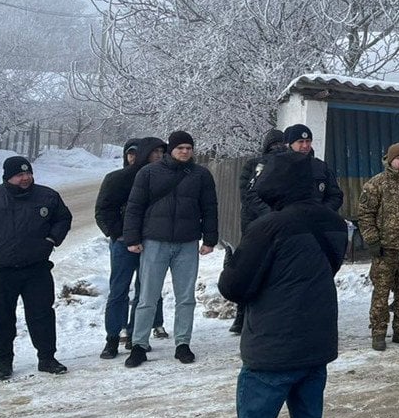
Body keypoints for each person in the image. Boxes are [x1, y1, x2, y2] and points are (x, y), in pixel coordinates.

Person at [216, 151, 349, 418]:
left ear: (273, 184)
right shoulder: (334, 223)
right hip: (316, 345)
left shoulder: (267, 228)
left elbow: (236, 288)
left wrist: (229, 265)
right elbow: (323, 269)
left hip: (271, 350)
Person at [0, 156, 72, 380]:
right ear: (7, 177)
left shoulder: (47, 196)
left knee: (42, 314)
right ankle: (4, 363)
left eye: (28, 173)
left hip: (36, 269)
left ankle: (47, 358)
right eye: (19, 175)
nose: (25, 178)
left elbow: (63, 218)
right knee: (0, 318)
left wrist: (51, 240)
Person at [122, 130, 219, 367]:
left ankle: (183, 343)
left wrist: (210, 239)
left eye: (188, 148)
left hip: (187, 243)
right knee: (147, 296)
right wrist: (132, 238)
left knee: (186, 297)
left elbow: (209, 208)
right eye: (180, 148)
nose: (185, 152)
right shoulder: (149, 173)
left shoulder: (201, 175)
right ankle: (139, 345)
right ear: (171, 150)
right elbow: (135, 206)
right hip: (155, 241)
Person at [94, 137, 169, 358]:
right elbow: (103, 210)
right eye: (155, 152)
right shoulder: (117, 178)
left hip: (152, 241)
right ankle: (112, 338)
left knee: (146, 291)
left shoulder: (162, 179)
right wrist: (119, 234)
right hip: (123, 243)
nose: (159, 156)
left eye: (161, 152)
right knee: (119, 290)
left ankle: (137, 334)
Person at [360, 143, 399, 351]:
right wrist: (372, 241)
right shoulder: (376, 184)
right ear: (390, 160)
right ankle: (378, 332)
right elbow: (365, 215)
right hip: (385, 251)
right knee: (381, 293)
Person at [230, 128, 287, 334]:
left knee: (253, 269)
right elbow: (249, 195)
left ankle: (246, 315)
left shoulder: (282, 164)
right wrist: (272, 214)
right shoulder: (256, 165)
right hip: (260, 223)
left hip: (262, 223)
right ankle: (243, 315)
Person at [282, 123, 344, 213]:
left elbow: (335, 196)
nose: (305, 145)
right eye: (300, 142)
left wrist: (322, 211)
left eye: (308, 141)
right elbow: (264, 196)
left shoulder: (321, 167)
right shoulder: (279, 166)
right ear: (291, 144)